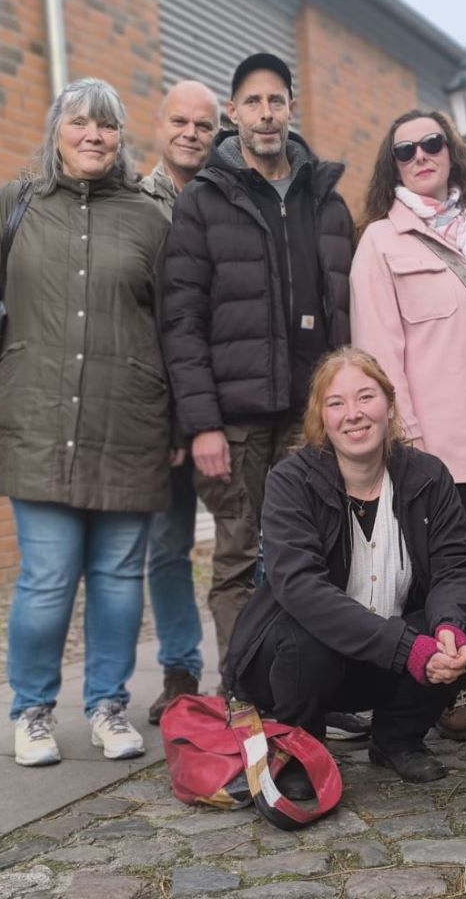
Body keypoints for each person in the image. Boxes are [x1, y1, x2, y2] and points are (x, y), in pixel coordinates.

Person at [0, 78, 171, 767]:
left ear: (121, 138)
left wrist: (183, 424)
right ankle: (32, 712)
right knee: (46, 579)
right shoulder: (17, 204)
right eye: (80, 122)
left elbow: (179, 325)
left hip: (130, 426)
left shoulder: (150, 220)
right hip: (35, 423)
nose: (93, 135)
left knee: (119, 580)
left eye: (106, 125)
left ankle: (107, 706)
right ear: (57, 131)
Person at [160, 52, 354, 677]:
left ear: (290, 107)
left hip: (312, 416)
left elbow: (345, 313)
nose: (265, 113)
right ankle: (248, 700)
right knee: (240, 558)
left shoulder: (325, 199)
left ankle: (309, 688)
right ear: (232, 112)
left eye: (276, 100)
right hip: (235, 425)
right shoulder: (204, 201)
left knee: (313, 556)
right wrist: (202, 425)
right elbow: (181, 322)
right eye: (252, 102)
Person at [223, 348, 466, 785]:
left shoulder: (428, 475)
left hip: (387, 659)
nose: (353, 415)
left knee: (465, 638)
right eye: (336, 403)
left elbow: (457, 565)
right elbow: (301, 589)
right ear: (320, 418)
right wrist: (408, 648)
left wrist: (449, 628)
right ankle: (298, 749)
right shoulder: (291, 481)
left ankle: (397, 739)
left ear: (389, 403)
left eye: (366, 397)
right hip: (300, 665)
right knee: (302, 639)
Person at [350, 109, 466, 741]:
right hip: (442, 441)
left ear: (453, 152)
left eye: (432, 143)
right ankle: (438, 692)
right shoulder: (379, 243)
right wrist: (408, 440)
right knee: (446, 569)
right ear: (390, 166)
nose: (420, 156)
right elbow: (378, 353)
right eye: (405, 151)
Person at [140, 80, 219, 723]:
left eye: (203, 124)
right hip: (161, 413)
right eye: (180, 121)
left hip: (230, 406)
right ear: (158, 125)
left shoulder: (231, 196)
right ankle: (181, 670)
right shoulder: (133, 206)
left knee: (252, 543)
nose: (191, 132)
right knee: (167, 547)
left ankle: (260, 662)